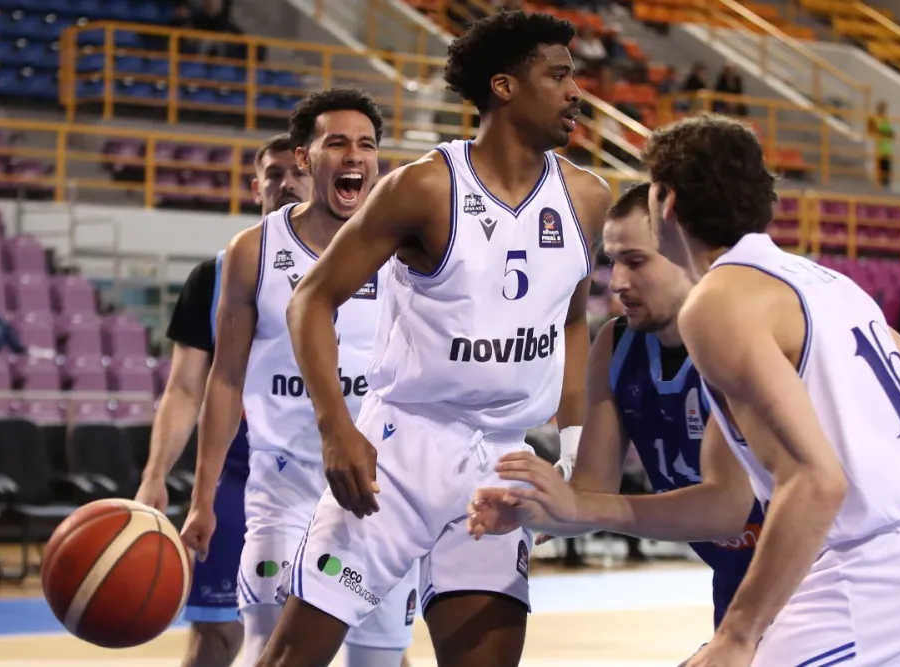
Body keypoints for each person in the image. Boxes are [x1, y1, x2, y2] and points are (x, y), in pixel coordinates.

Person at [468, 114, 900, 667]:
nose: (617, 281)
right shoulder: (830, 284)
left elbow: (814, 481)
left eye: (633, 260)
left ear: (666, 202)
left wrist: (738, 635)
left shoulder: (717, 302)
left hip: (871, 572)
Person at [256, 11, 609, 667]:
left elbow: (572, 318)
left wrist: (572, 445)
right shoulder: (424, 186)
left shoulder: (588, 197)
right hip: (403, 448)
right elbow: (312, 298)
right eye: (558, 76)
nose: (575, 93)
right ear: (504, 86)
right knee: (292, 658)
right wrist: (336, 427)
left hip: (503, 456)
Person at [179, 87, 419, 667]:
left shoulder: (408, 250)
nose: (354, 154)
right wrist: (203, 498)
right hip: (283, 487)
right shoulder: (252, 251)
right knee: (272, 645)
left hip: (378, 492)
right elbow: (224, 379)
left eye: (366, 144)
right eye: (337, 143)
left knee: (379, 660)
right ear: (305, 158)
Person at [548, 181, 761, 630]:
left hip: (823, 574)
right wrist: (528, 506)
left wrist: (582, 509)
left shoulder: (745, 335)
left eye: (636, 261)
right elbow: (591, 493)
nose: (617, 283)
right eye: (612, 261)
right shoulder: (615, 344)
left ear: (684, 251)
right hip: (738, 584)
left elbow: (727, 511)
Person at [135, 134, 309, 667]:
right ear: (256, 188)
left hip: (332, 472)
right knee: (216, 636)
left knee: (370, 639)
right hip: (240, 476)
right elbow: (185, 388)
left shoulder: (367, 268)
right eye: (274, 174)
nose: (287, 183)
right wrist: (156, 474)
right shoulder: (213, 276)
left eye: (298, 171)